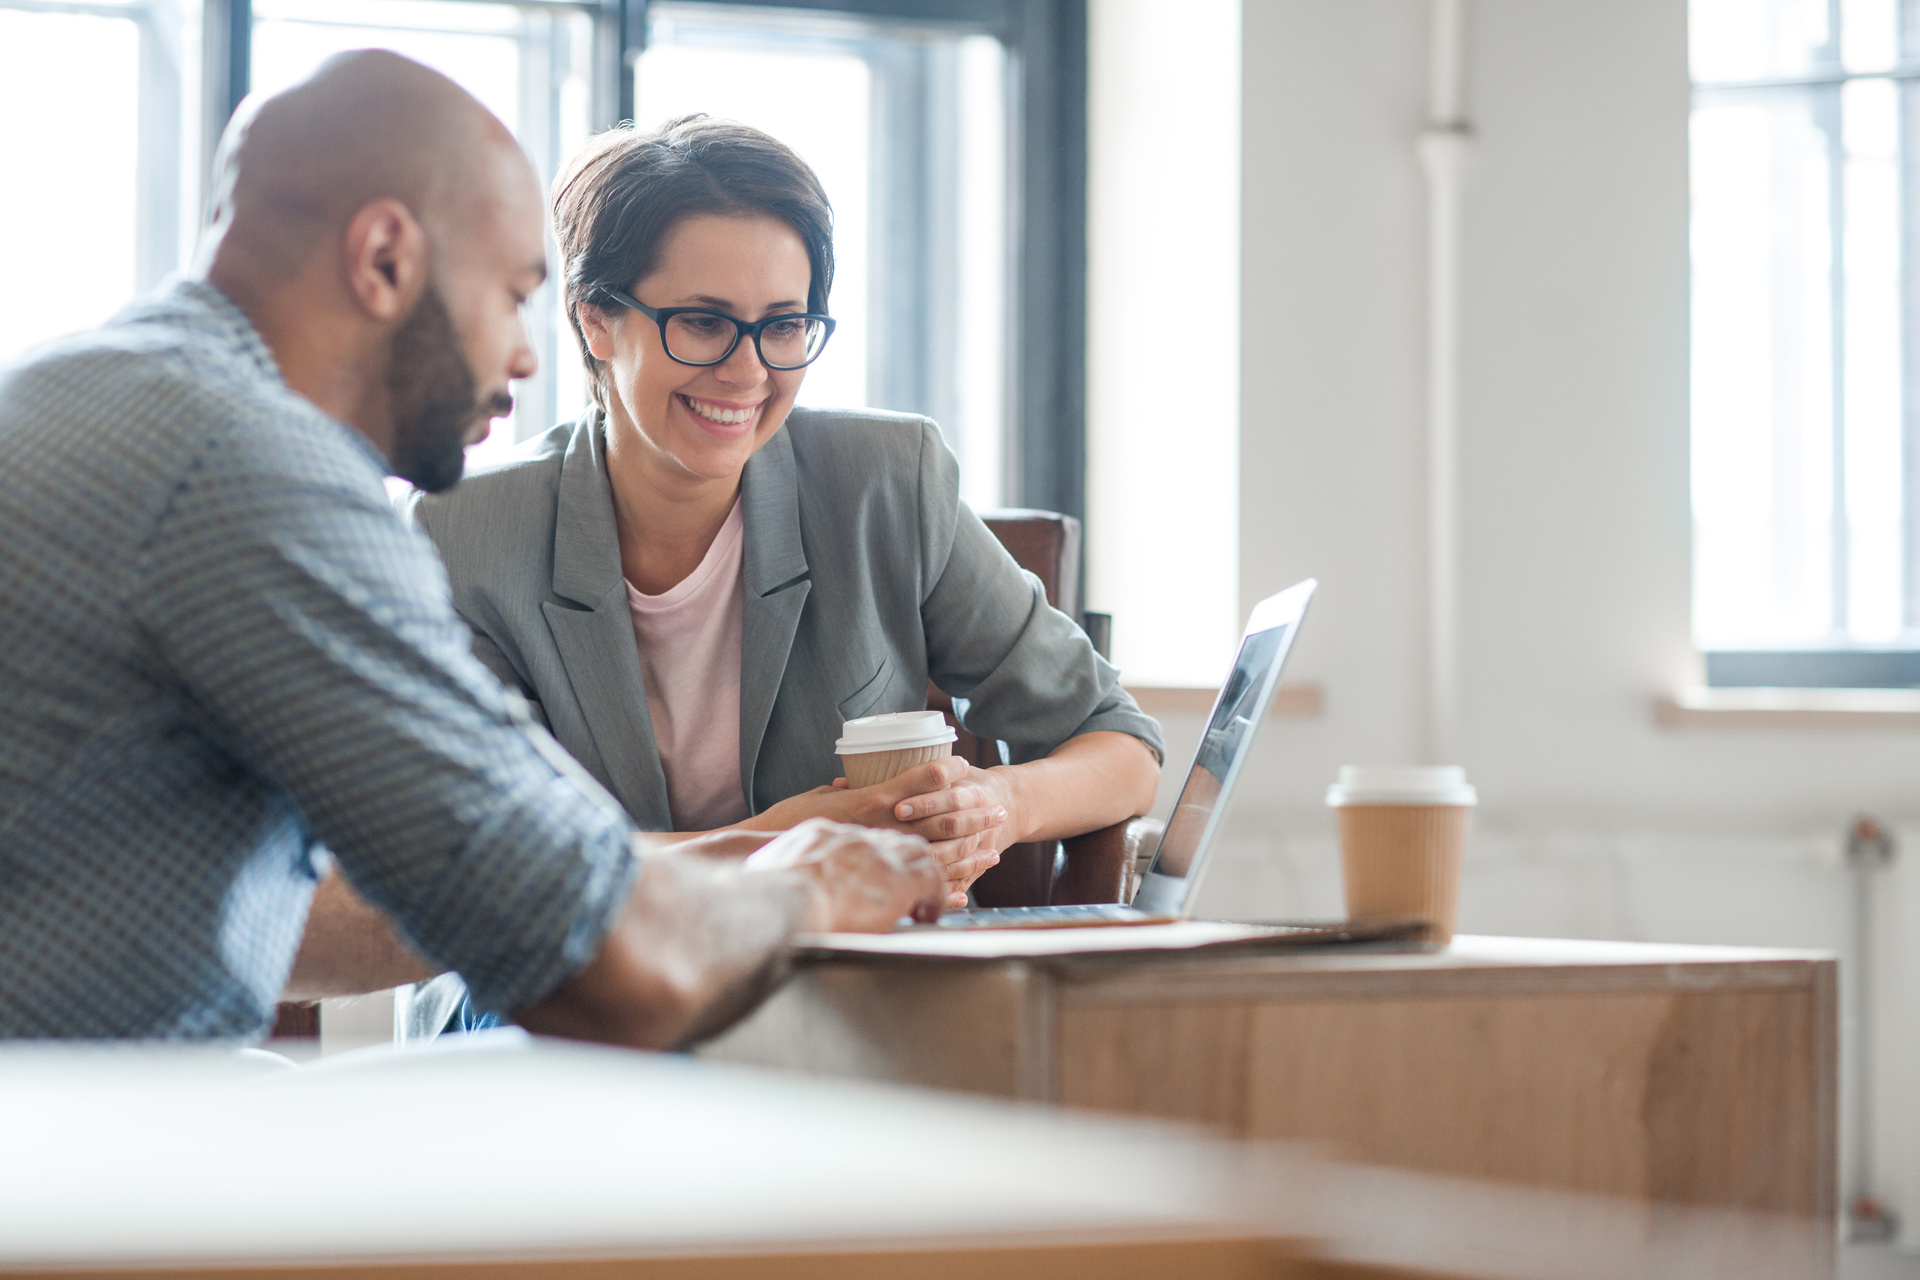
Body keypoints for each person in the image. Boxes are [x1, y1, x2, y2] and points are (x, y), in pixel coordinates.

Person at [0, 51, 944, 1045]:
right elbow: (607, 974)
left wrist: (690, 868)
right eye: (510, 292)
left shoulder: (80, 390)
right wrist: (804, 886)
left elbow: (361, 916)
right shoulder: (254, 470)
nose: (529, 354)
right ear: (385, 259)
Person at [407, 117, 1164, 909]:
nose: (747, 371)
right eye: (702, 323)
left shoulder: (884, 485)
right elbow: (490, 856)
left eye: (783, 325)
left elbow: (1121, 744)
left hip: (850, 978)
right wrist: (775, 845)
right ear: (595, 318)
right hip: (568, 979)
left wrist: (997, 807)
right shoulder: (466, 537)